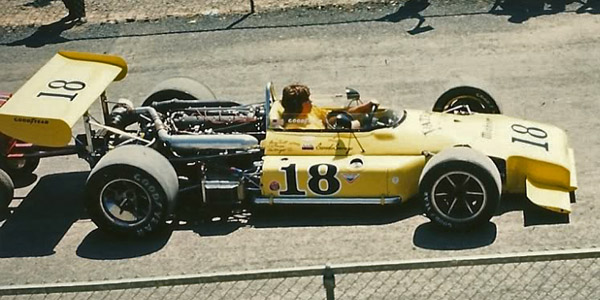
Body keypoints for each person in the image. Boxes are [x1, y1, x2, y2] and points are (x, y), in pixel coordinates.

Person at [280, 84, 377, 130]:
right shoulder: (295, 129)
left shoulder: (312, 111)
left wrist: (363, 108)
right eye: (307, 100)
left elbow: (331, 117)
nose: (311, 102)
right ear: (300, 105)